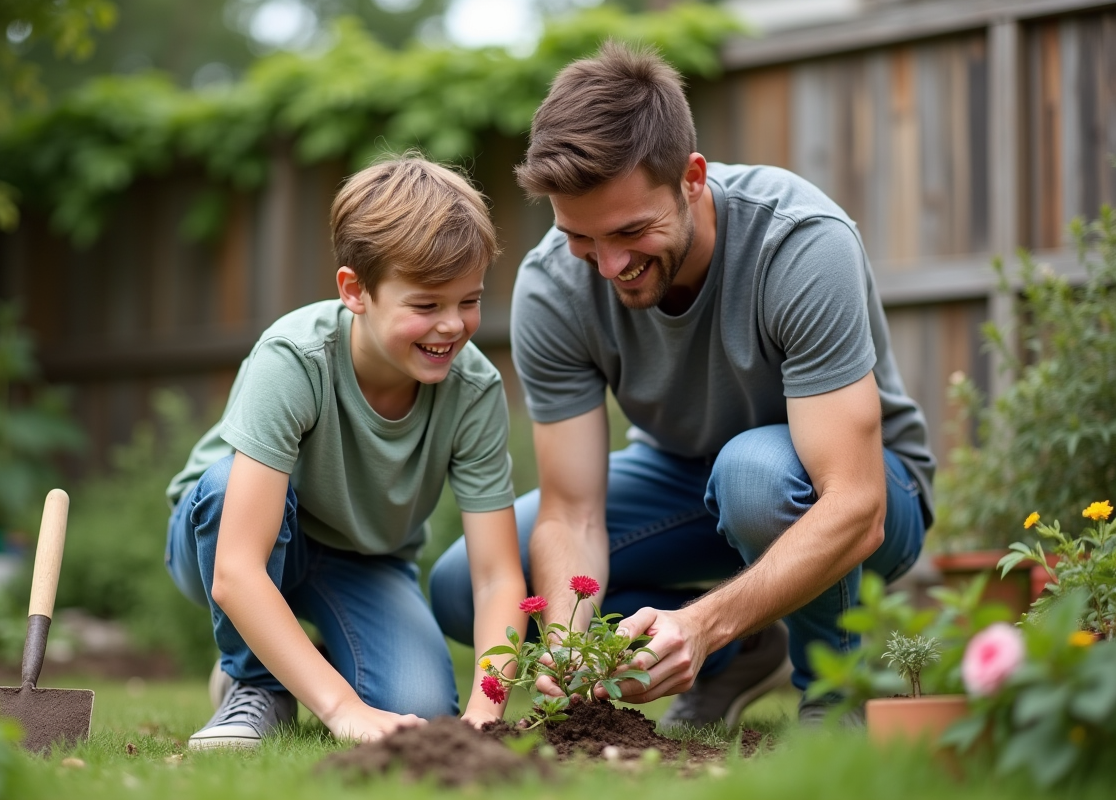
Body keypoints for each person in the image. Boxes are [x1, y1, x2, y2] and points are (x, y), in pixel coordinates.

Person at [429, 43, 934, 728]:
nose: (609, 265)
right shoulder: (552, 286)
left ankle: (832, 699)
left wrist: (699, 623)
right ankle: (744, 649)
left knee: (754, 475)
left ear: (691, 178)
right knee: (469, 586)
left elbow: (856, 504)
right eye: (581, 237)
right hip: (682, 478)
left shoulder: (799, 243)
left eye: (632, 230)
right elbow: (571, 512)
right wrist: (573, 651)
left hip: (861, 488)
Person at [164, 156, 527, 748]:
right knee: (227, 484)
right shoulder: (295, 359)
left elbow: (495, 576)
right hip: (230, 535)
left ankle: (307, 658)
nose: (453, 327)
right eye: (427, 305)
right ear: (355, 290)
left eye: (469, 301)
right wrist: (340, 709)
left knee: (422, 710)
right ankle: (256, 683)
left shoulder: (475, 390)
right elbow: (236, 569)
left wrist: (486, 715)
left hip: (363, 559)